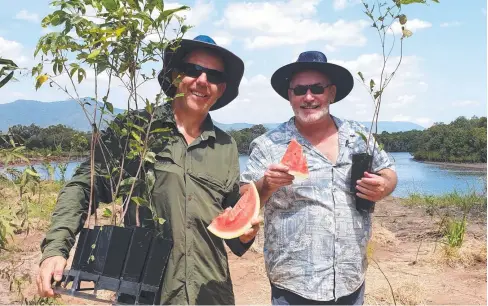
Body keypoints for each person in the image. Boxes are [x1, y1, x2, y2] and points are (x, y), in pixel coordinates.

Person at [37, 35, 261, 305]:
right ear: (175, 76)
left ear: (221, 88)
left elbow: (231, 232)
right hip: (147, 295)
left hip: (212, 294)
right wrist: (55, 249)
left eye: (213, 75)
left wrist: (246, 231)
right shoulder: (135, 130)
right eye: (192, 70)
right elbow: (84, 185)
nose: (202, 80)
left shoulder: (226, 146)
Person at [240, 51, 398, 305]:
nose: (309, 97)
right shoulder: (268, 144)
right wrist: (266, 185)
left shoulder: (359, 136)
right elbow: (244, 198)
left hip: (350, 279)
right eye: (300, 90)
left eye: (317, 88)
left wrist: (385, 185)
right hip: (294, 285)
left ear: (331, 93)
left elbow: (388, 170)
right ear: (290, 95)